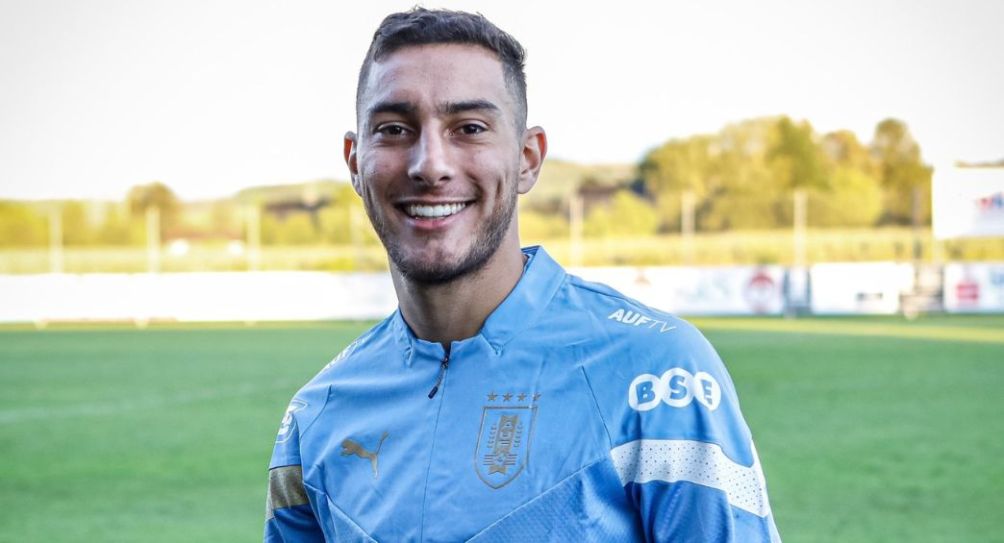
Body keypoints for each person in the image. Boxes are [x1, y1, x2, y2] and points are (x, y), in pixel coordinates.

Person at [264, 8, 780, 542]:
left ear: (528, 158)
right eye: (394, 129)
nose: (429, 165)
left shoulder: (658, 374)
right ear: (355, 161)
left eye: (469, 128)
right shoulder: (317, 415)